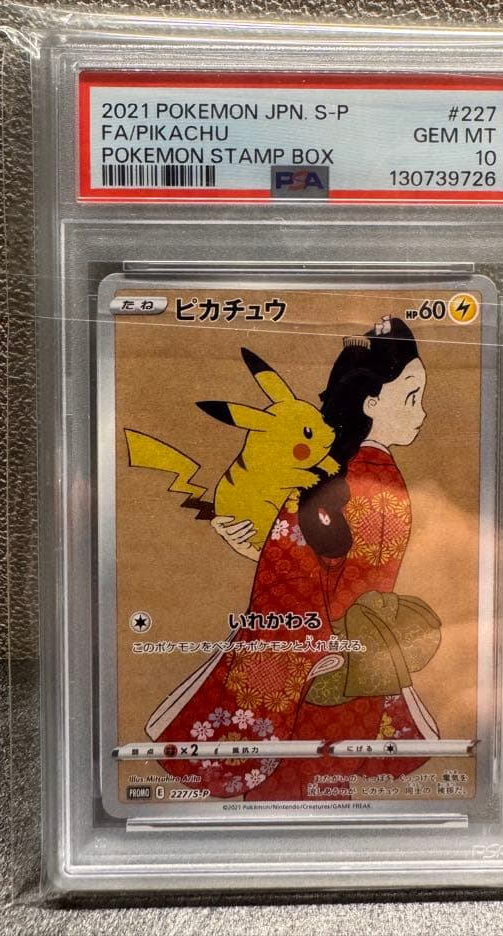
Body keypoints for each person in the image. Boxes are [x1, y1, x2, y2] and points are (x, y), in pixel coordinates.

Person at [146, 316, 440, 800]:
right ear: (370, 403)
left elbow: (293, 577)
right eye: (411, 397)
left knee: (297, 789)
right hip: (360, 664)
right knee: (323, 787)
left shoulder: (331, 482)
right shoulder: (372, 479)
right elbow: (329, 564)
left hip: (321, 665)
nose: (422, 412)